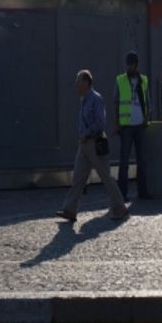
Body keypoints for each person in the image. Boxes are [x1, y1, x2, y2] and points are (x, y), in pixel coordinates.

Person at [57, 70, 128, 222]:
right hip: (83, 144)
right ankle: (70, 209)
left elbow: (100, 123)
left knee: (106, 177)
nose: (76, 84)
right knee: (78, 178)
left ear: (86, 82)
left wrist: (87, 133)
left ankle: (120, 208)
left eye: (78, 81)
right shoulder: (83, 99)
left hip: (94, 143)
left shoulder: (96, 99)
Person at [113, 51, 151, 201]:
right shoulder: (120, 80)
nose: (128, 67)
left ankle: (143, 192)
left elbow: (148, 101)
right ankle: (122, 194)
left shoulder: (144, 80)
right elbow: (115, 102)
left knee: (142, 160)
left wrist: (146, 118)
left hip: (140, 124)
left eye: (131, 64)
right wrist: (116, 123)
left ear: (136, 65)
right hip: (126, 125)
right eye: (127, 64)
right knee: (124, 162)